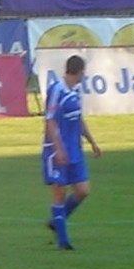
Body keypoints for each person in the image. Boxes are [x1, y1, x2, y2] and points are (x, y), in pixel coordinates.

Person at [43, 55, 102, 250]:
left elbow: (78, 119)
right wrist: (58, 148)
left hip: (75, 150)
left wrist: (92, 142)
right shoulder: (56, 90)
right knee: (60, 192)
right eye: (84, 72)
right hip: (56, 151)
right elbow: (50, 121)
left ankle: (57, 221)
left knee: (83, 191)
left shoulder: (75, 91)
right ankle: (63, 241)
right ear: (79, 71)